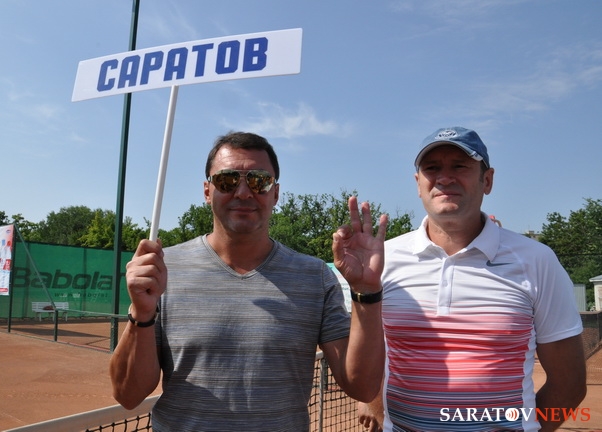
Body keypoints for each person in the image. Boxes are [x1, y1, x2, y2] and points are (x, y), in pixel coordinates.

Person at [110, 131, 386, 431]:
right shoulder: (163, 270)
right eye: (226, 180)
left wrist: (366, 291)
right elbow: (127, 395)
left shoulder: (314, 276)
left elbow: (362, 387)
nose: (243, 192)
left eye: (259, 181)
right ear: (207, 191)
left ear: (275, 193)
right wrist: (141, 314)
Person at [358, 127, 587, 432]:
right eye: (432, 168)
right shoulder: (383, 259)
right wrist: (378, 410)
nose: (444, 178)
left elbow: (569, 384)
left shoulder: (537, 260)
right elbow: (369, 361)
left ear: (487, 180)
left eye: (460, 166)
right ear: (418, 184)